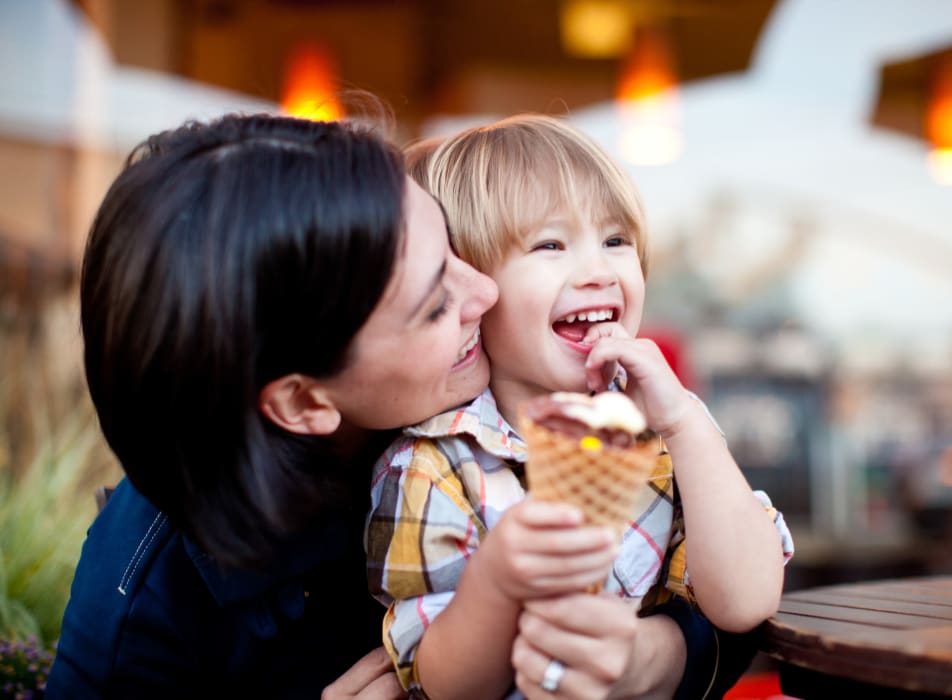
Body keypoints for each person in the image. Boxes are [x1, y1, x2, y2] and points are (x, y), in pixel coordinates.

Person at [45, 112, 736, 700]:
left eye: (457, 250)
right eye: (435, 304)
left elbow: (706, 571)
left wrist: (664, 655)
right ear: (304, 401)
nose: (485, 295)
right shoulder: (144, 611)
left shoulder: (518, 404)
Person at [367, 115, 795, 700]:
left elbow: (745, 601)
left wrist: (687, 423)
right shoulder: (436, 465)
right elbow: (443, 686)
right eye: (550, 245)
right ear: (471, 285)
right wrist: (498, 583)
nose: (598, 272)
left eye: (616, 240)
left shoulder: (666, 432)